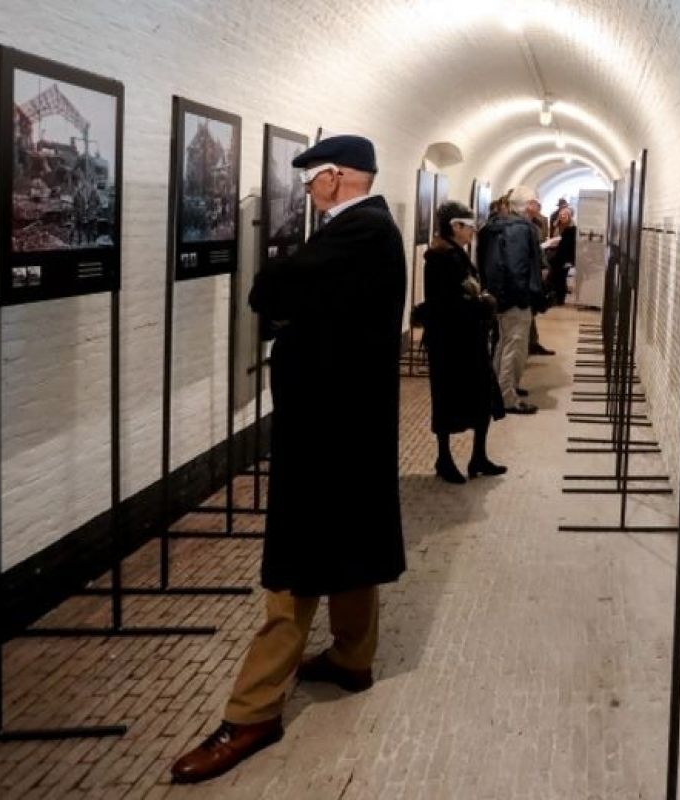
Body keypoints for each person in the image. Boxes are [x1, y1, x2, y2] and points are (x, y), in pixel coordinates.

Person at [171, 135, 406, 784]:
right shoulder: (368, 232)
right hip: (346, 422)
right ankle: (352, 657)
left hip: (329, 425)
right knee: (353, 533)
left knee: (295, 561)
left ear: (333, 178)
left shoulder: (357, 232)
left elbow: (270, 291)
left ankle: (253, 711)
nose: (306, 192)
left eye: (310, 182)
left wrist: (282, 284)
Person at [423, 200, 507, 483]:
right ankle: (444, 459)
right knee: (447, 400)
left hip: (467, 339)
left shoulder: (455, 254)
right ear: (454, 226)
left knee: (482, 397)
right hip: (449, 343)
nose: (473, 231)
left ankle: (478, 457)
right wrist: (482, 306)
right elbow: (445, 305)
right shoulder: (439, 258)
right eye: (468, 226)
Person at [478, 185, 546, 414]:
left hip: (500, 295)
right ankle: (507, 397)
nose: (538, 205)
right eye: (536, 201)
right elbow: (517, 267)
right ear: (528, 205)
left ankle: (499, 389)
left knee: (504, 343)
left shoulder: (497, 225)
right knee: (513, 346)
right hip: (514, 298)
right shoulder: (520, 229)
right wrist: (523, 297)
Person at [523, 193, 556, 357]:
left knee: (531, 311)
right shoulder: (524, 226)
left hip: (534, 271)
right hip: (526, 275)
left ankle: (532, 342)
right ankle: (530, 344)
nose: (539, 206)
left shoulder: (537, 223)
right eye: (536, 203)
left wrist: (543, 265)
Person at [545, 205, 576, 305]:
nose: (562, 217)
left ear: (569, 216)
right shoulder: (556, 226)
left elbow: (572, 246)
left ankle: (560, 299)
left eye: (565, 215)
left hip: (565, 257)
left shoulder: (572, 229)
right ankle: (555, 298)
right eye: (561, 215)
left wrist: (570, 260)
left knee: (561, 278)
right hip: (555, 256)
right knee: (554, 277)